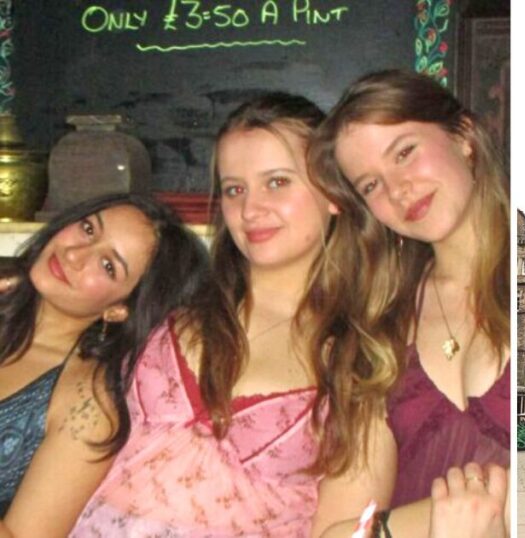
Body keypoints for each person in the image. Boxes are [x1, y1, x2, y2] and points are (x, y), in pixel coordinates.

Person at [70, 93, 378, 535]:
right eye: (235, 189)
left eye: (277, 182)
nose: (250, 210)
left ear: (334, 193)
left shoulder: (358, 364)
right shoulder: (169, 296)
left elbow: (345, 527)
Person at [311, 70, 510, 536]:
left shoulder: (521, 278)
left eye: (404, 152)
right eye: (370, 185)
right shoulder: (378, 326)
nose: (397, 189)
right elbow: (334, 530)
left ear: (462, 137)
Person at [0, 193, 209, 536]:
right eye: (87, 229)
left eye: (108, 266)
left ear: (119, 310)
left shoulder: (88, 405)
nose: (75, 255)